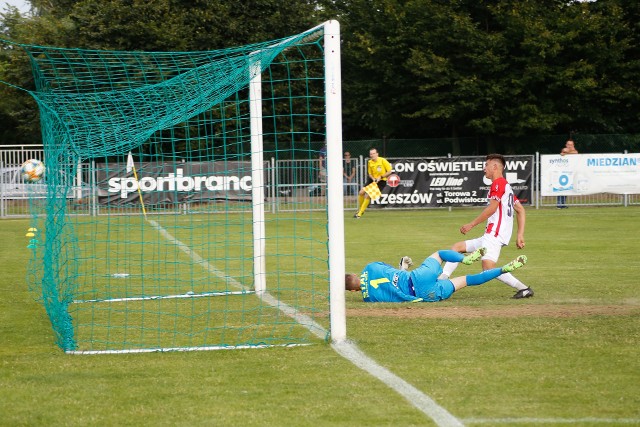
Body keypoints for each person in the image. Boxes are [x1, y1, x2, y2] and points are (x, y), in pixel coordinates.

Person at [438, 153, 534, 299]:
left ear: (494, 166)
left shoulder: (498, 184)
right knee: (456, 248)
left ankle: (524, 288)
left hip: (495, 233)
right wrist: (519, 235)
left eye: (486, 165)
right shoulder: (506, 186)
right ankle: (442, 280)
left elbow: (492, 208)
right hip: (492, 234)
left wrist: (471, 224)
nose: (484, 169)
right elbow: (520, 210)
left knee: (488, 268)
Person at [345, 247, 528, 303]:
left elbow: (391, 290)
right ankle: (464, 260)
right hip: (417, 277)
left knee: (469, 280)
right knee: (440, 254)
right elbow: (390, 273)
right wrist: (403, 266)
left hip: (424, 295)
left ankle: (503, 269)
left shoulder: (368, 299)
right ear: (355, 273)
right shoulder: (370, 267)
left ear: (354, 291)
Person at [354, 147, 393, 218]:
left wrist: (380, 177)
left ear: (377, 154)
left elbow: (390, 171)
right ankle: (360, 209)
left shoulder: (383, 160)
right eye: (371, 154)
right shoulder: (370, 162)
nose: (372, 155)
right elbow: (370, 174)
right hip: (372, 180)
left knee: (368, 195)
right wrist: (373, 178)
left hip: (381, 181)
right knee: (361, 192)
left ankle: (360, 213)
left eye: (374, 153)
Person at [557, 139, 578, 209]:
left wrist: (567, 153)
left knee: (566, 189)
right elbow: (564, 150)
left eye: (571, 145)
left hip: (570, 173)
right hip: (562, 172)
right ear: (566, 145)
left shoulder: (573, 151)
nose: (569, 146)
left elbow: (576, 153)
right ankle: (559, 204)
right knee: (561, 188)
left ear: (573, 145)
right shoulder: (564, 149)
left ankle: (563, 204)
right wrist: (567, 151)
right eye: (568, 144)